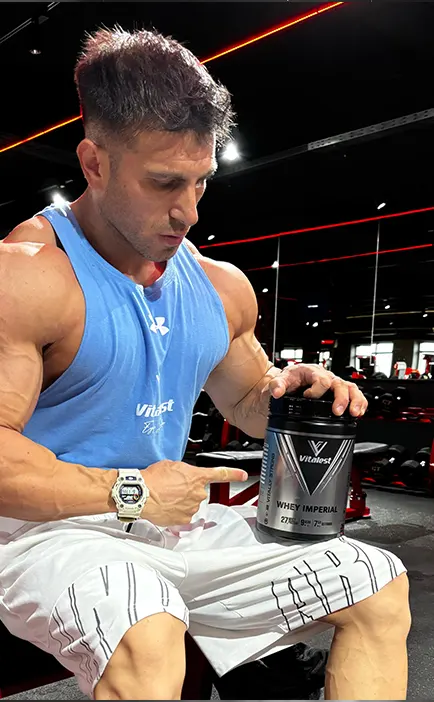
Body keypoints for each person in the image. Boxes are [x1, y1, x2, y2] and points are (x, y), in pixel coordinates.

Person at [0, 26, 410, 701]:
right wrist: (131, 492)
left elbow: (247, 401)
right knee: (149, 634)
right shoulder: (29, 275)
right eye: (164, 183)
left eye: (200, 182)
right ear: (94, 163)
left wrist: (293, 393)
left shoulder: (218, 286)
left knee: (377, 584)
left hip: (167, 523)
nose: (188, 211)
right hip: (45, 533)